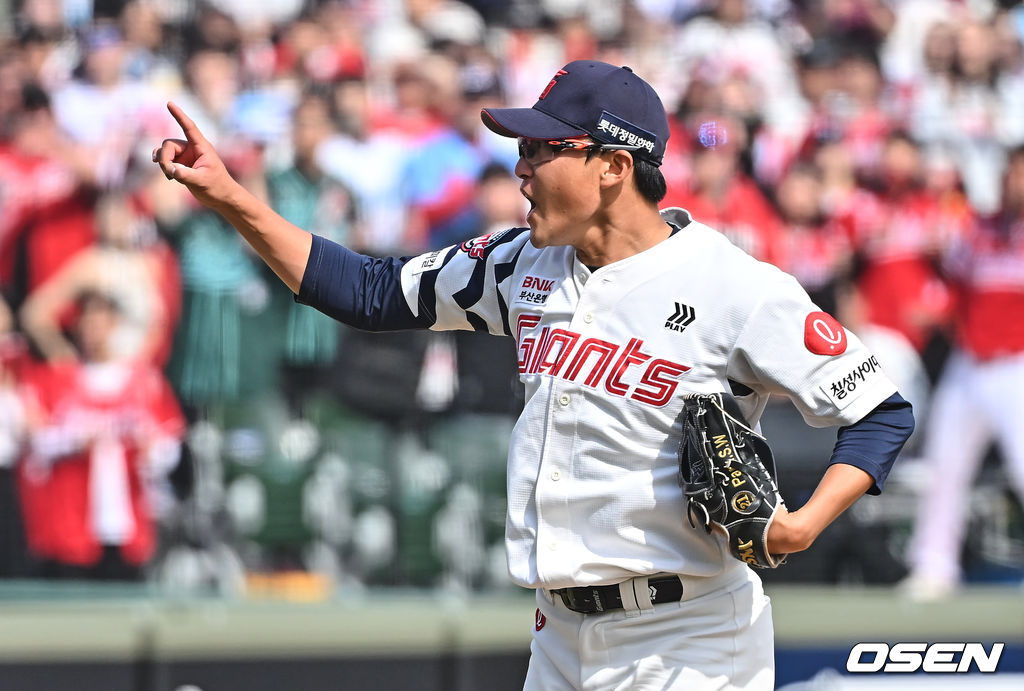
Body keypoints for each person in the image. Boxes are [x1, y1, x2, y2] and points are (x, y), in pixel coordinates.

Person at [155, 60, 914, 690]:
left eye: (544, 149)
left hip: (687, 639)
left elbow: (880, 411)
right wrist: (230, 198)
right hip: (559, 637)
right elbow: (368, 292)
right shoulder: (522, 263)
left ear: (614, 165)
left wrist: (802, 524)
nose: (520, 167)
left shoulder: (733, 287)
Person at [903, 145, 1024, 601]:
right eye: (1013, 174)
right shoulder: (978, 230)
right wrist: (934, 312)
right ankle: (933, 567)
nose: (1017, 183)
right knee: (943, 468)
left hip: (1017, 366)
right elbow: (953, 290)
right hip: (969, 364)